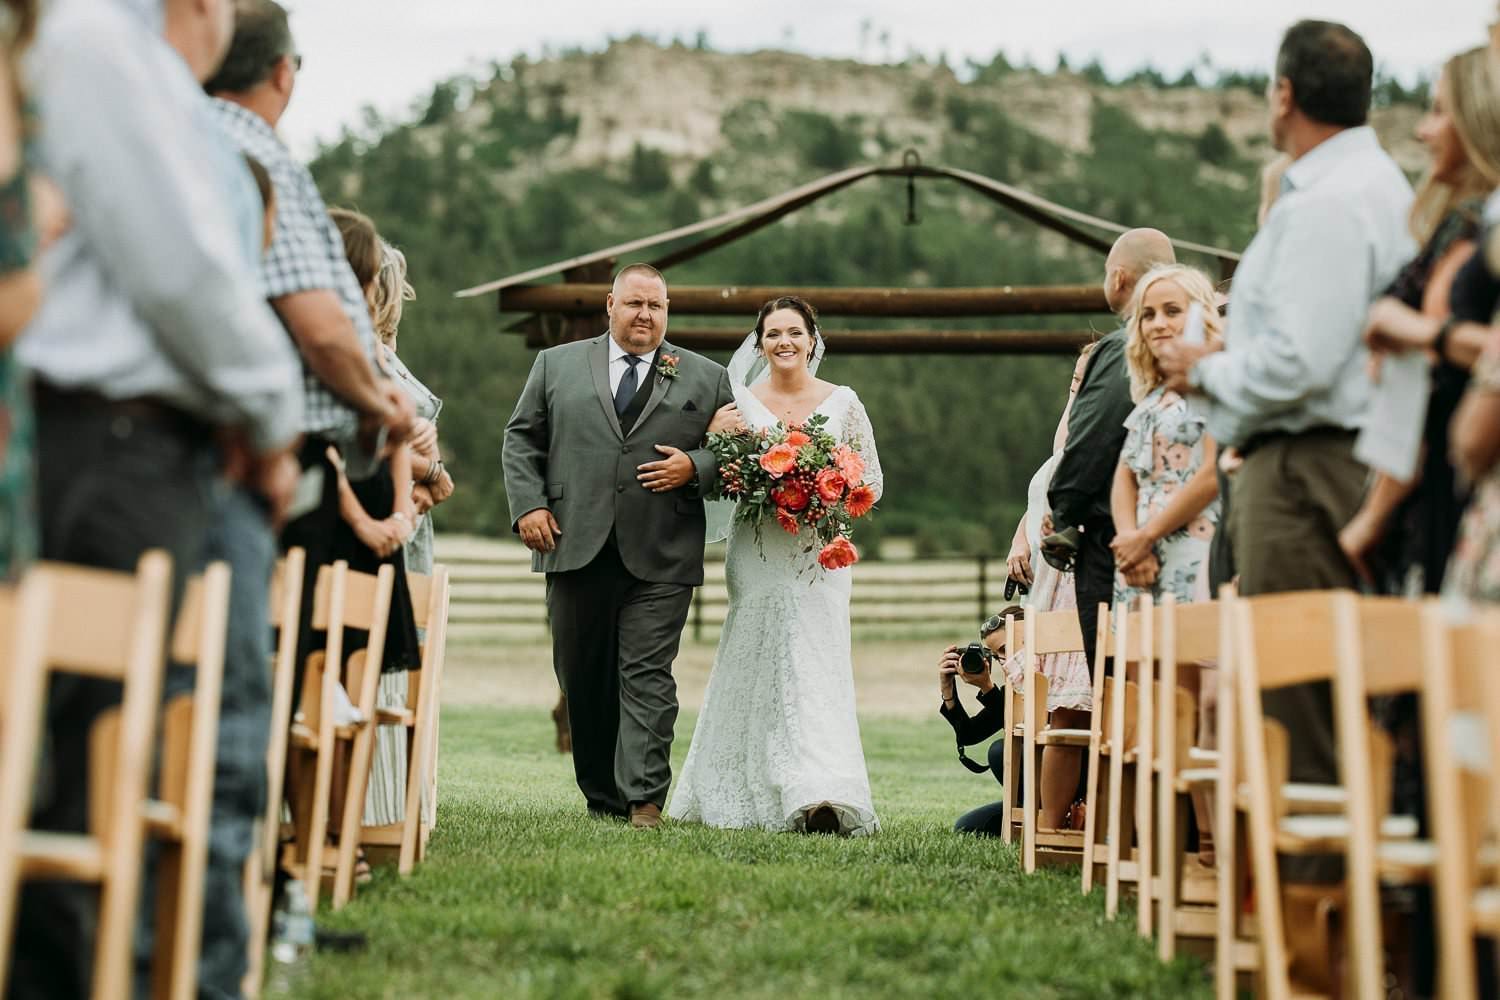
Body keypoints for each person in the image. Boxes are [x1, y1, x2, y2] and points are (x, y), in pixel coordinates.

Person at [12, 0, 304, 994]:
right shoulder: (99, 43)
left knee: (112, 753)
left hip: (143, 441)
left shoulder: (132, 68)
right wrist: (271, 415)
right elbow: (186, 270)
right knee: (85, 760)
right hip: (108, 441)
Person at [1157, 19, 1414, 884]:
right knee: (1318, 686)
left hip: (1304, 467)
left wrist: (1208, 366)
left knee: (1296, 690)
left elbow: (1301, 362)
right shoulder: (1359, 188)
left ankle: (1317, 931)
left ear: (1285, 94)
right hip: (1319, 454)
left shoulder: (1330, 204)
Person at [207, 0, 416, 694]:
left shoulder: (196, 136)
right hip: (277, 457)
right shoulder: (260, 156)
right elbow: (319, 326)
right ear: (282, 72)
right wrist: (376, 400)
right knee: (271, 670)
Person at [502, 262, 733, 830]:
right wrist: (529, 506)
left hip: (662, 551)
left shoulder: (707, 378)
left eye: (656, 306)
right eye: (635, 304)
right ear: (610, 305)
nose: (645, 315)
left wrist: (695, 465)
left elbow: (734, 456)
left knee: (649, 674)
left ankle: (645, 801)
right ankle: (603, 796)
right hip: (573, 541)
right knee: (582, 675)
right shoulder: (555, 365)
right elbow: (522, 438)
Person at [666, 295, 882, 836]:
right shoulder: (740, 404)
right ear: (759, 343)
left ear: (813, 339)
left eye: (794, 332)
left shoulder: (845, 402)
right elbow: (721, 475)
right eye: (772, 334)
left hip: (819, 555)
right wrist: (718, 437)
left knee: (816, 661)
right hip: (757, 550)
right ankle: (739, 784)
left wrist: (822, 494)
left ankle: (820, 792)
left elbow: (872, 482)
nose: (783, 342)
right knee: (757, 657)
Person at [1343, 46, 1500, 594]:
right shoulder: (1460, 228)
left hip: (1451, 484)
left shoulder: (1470, 236)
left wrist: (1372, 516)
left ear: (1480, 116)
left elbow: (1422, 394)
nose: (1423, 131)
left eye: (1438, 111)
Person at [1045, 228, 1176, 669]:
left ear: (1119, 277)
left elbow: (1094, 438)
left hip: (1114, 541)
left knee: (1116, 674)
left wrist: (1064, 509)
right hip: (1174, 530)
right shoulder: (1192, 345)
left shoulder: (1123, 346)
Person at [363, 236, 450, 833]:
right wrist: (430, 473)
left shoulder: (384, 349)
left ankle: (400, 802)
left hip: (411, 520)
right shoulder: (354, 349)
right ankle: (376, 805)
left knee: (408, 659)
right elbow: (374, 437)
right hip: (387, 515)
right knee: (383, 660)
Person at [1002, 347, 1095, 831]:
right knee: (1058, 716)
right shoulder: (1067, 439)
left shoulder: (1099, 432)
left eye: (1088, 377)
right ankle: (1051, 824)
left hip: (1078, 584)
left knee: (1071, 717)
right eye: (1074, 378)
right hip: (1048, 590)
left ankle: (1066, 822)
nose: (1078, 386)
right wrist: (1021, 540)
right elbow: (1040, 497)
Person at [1110, 264, 1224, 609]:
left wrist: (1147, 535)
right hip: (1139, 558)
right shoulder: (1152, 397)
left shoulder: (1214, 382)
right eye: (1148, 315)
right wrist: (1129, 539)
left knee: (1191, 654)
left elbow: (1213, 474)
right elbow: (1125, 476)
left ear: (1198, 316)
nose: (1158, 323)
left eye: (1171, 311)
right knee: (1140, 658)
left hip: (1194, 547)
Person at [939, 609, 1023, 836]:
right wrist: (948, 689)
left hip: (1064, 786)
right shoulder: (1011, 692)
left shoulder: (1057, 678)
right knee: (967, 827)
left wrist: (987, 687)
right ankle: (1028, 815)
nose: (1003, 660)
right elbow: (970, 735)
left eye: (1005, 649)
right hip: (1031, 797)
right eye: (996, 655)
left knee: (1000, 751)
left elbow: (1021, 721)